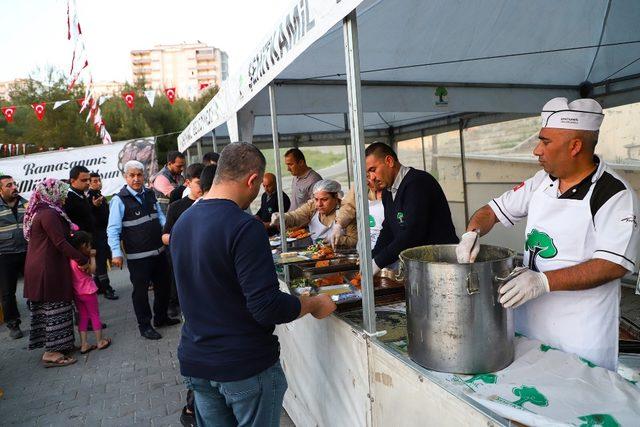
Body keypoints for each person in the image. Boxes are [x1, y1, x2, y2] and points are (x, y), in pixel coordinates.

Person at [456, 97, 640, 371]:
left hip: (580, 340)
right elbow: (491, 211)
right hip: (527, 326)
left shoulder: (614, 194)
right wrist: (472, 233)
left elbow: (613, 265)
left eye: (545, 141)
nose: (536, 150)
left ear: (575, 146)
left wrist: (543, 282)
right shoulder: (541, 182)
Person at [171, 142, 336, 427]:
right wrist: (313, 303)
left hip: (197, 360)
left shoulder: (183, 222)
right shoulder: (244, 226)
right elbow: (266, 306)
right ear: (252, 180)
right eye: (259, 184)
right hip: (242, 364)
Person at [107, 160, 180, 340]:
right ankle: (145, 325)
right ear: (125, 177)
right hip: (138, 257)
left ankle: (161, 318)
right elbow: (113, 229)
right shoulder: (119, 200)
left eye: (139, 175)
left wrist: (167, 231)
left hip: (158, 251)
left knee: (163, 287)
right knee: (140, 293)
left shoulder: (149, 194)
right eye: (132, 175)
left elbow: (160, 216)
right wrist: (116, 253)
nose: (136, 178)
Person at [23, 178, 90, 368]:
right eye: (61, 191)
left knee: (55, 307)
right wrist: (82, 259)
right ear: (51, 193)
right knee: (54, 308)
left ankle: (60, 346)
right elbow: (60, 242)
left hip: (46, 266)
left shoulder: (46, 212)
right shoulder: (48, 214)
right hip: (46, 269)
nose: (64, 195)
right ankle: (51, 353)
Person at [365, 142, 458, 275]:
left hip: (441, 263)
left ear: (389, 161)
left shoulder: (418, 183)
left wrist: (379, 261)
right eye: (368, 173)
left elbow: (412, 234)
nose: (372, 178)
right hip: (419, 266)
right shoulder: (388, 192)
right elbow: (389, 229)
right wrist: (372, 257)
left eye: (373, 170)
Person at [162, 163, 205, 316]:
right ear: (187, 182)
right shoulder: (176, 207)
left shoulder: (213, 203)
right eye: (199, 183)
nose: (204, 187)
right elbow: (165, 236)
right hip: (186, 262)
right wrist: (181, 237)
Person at [271, 179, 357, 248]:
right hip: (318, 255)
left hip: (342, 259)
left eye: (324, 199)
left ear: (335, 197)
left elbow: (354, 240)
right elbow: (296, 216)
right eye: (316, 199)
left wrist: (337, 240)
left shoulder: (346, 211)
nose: (319, 204)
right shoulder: (312, 207)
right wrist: (282, 217)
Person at [68, 230, 112, 354]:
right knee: (94, 315)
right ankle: (100, 341)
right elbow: (92, 270)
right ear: (82, 246)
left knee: (83, 317)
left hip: (77, 293)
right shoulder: (81, 260)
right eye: (88, 245)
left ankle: (84, 344)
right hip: (88, 292)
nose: (90, 247)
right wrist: (92, 257)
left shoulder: (70, 259)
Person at [0, 174, 28, 339]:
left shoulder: (26, 203)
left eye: (14, 184)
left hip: (27, 251)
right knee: (7, 292)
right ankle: (13, 324)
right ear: (1, 189)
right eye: (9, 185)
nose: (14, 187)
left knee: (34, 286)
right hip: (5, 255)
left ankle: (40, 316)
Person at [330, 176, 385, 249]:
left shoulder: (388, 189)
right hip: (365, 246)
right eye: (367, 175)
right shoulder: (360, 182)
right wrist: (338, 225)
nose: (368, 180)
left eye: (372, 170)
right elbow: (349, 205)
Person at [88, 172, 118, 300]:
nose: (98, 183)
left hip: (104, 233)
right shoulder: (89, 197)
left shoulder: (100, 196)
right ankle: (107, 289)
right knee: (100, 262)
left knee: (103, 259)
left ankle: (99, 286)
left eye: (99, 180)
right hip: (96, 234)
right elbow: (89, 215)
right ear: (89, 183)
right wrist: (93, 206)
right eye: (94, 181)